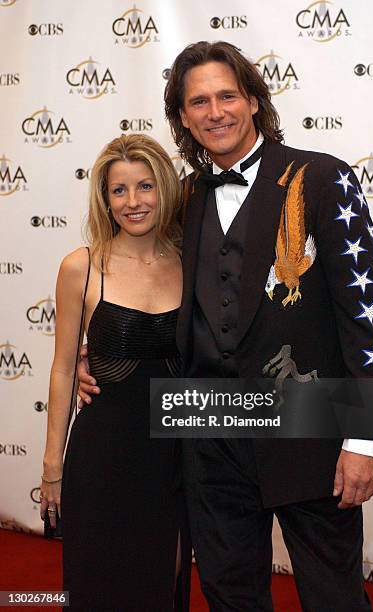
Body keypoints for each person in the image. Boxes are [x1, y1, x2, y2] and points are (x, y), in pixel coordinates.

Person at [79, 42, 373, 611]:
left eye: (227, 95)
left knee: (332, 595)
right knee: (229, 592)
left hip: (309, 422)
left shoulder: (322, 178)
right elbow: (149, 282)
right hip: (211, 427)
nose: (214, 111)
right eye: (198, 101)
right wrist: (99, 353)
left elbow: (364, 319)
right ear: (182, 116)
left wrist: (365, 440)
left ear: (252, 100)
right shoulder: (187, 196)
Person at [40, 134, 191, 611]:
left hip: (175, 458)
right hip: (103, 455)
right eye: (119, 190)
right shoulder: (81, 267)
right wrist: (51, 467)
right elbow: (64, 368)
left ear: (163, 190)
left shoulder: (193, 263)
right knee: (95, 588)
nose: (133, 202)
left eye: (144, 186)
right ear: (104, 198)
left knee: (160, 589)